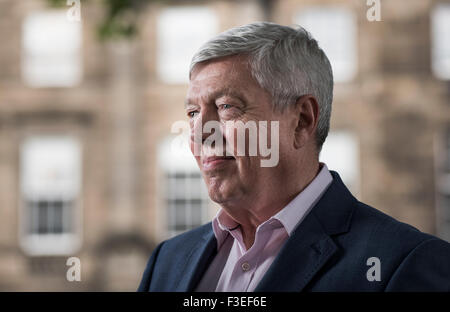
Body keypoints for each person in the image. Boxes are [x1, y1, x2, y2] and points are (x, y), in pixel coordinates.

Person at [138, 22, 450, 292]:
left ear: (301, 119)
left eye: (227, 107)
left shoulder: (405, 262)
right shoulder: (167, 261)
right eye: (193, 113)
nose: (199, 132)